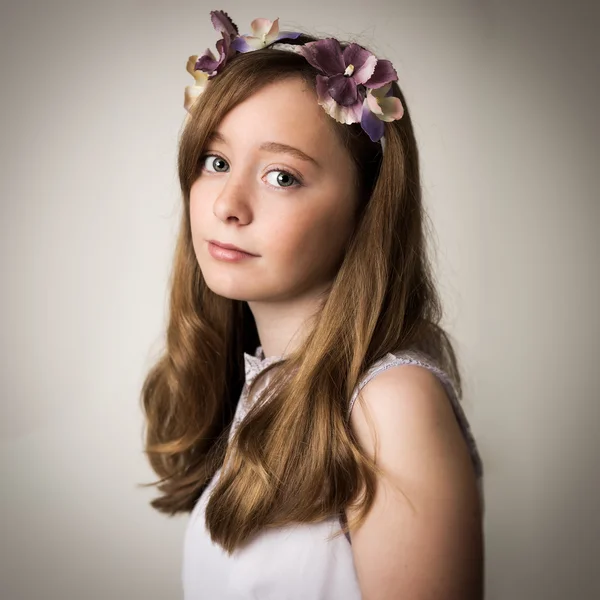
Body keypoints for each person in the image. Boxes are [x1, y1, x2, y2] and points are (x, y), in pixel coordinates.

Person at [140, 10, 485, 599]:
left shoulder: (391, 406)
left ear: (363, 211)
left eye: (282, 177)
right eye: (216, 162)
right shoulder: (265, 386)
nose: (228, 203)